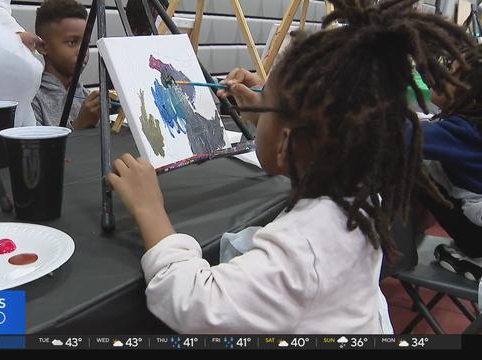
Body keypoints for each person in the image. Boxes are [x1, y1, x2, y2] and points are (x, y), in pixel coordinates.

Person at [106, 0, 474, 333]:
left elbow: (196, 305)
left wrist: (150, 210)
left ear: (288, 142)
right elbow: (314, 154)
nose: (256, 116)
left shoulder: (303, 248)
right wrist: (267, 112)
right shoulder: (358, 195)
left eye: (265, 111)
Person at [415, 44, 482, 280]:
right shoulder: (473, 125)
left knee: (414, 166)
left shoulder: (463, 132)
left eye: (450, 72)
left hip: (477, 235)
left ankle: (474, 259)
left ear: (469, 91)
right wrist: (417, 49)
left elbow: (403, 135)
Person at [31, 0, 100, 129]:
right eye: (72, 42)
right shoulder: (33, 100)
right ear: (42, 47)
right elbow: (40, 148)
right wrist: (79, 125)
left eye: (86, 43)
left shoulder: (87, 98)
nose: (83, 51)